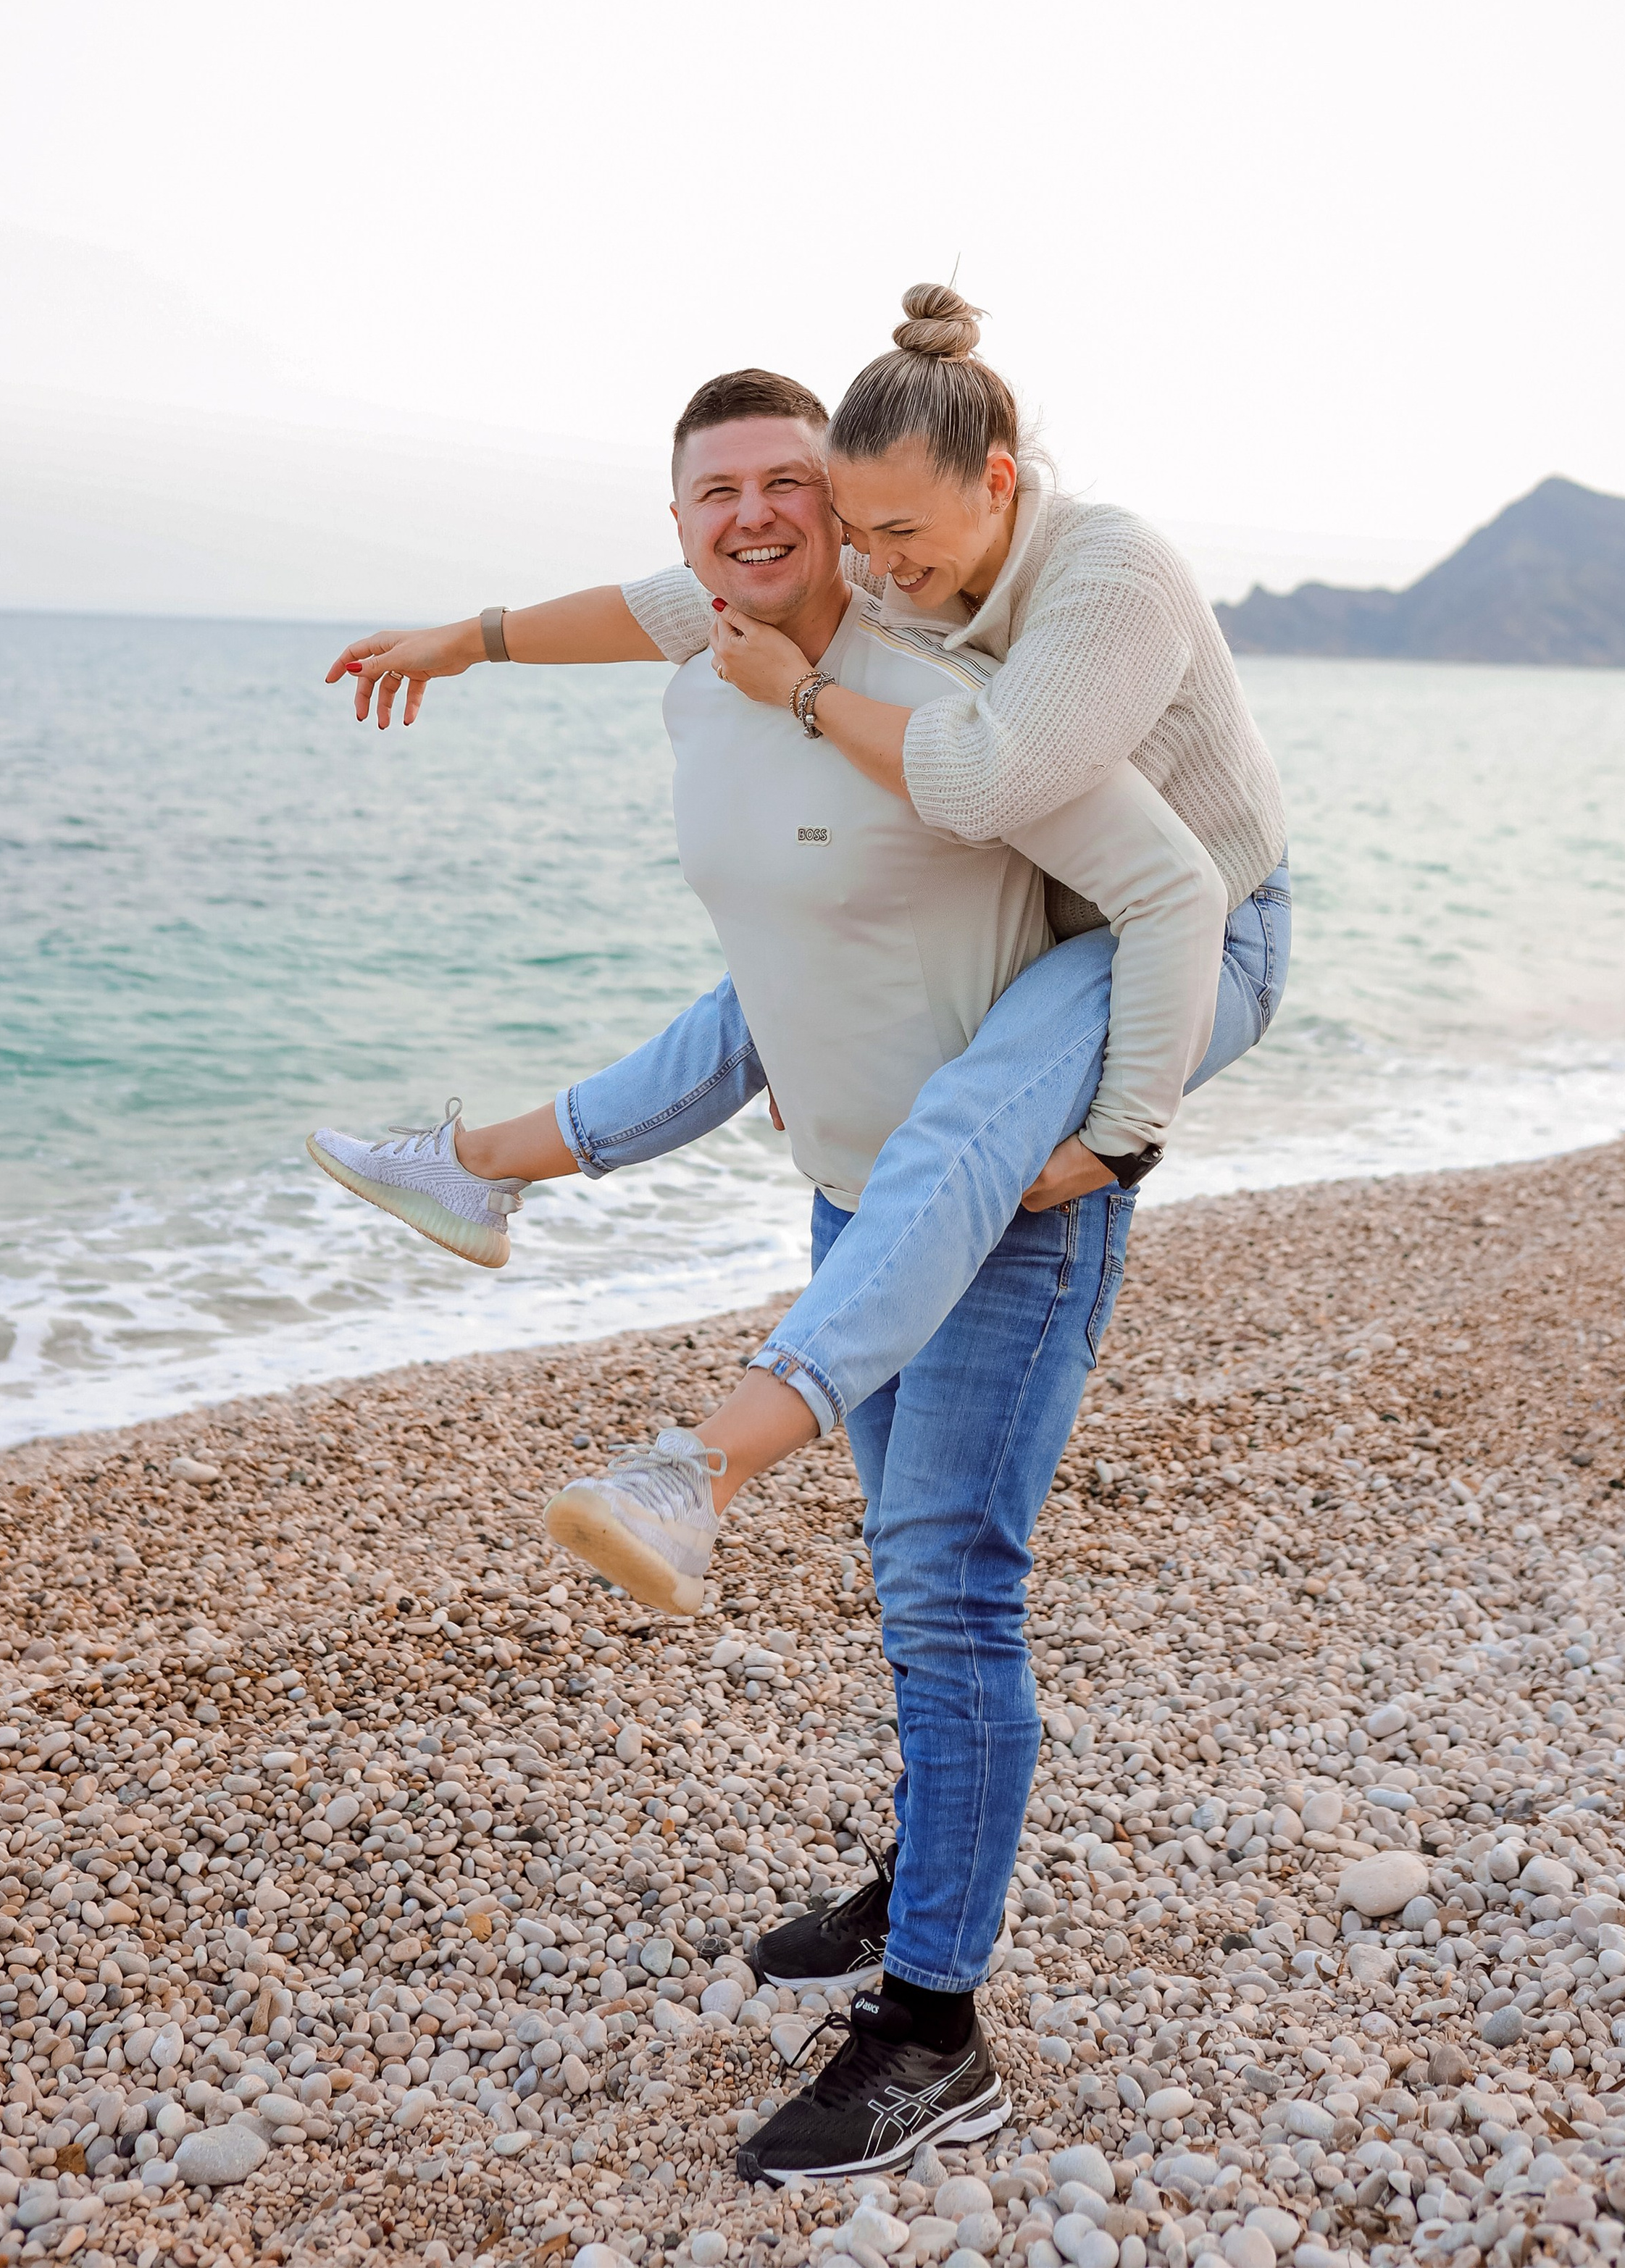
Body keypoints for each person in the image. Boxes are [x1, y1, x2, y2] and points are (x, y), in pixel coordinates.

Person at [326, 375, 1217, 2180]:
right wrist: (474, 640)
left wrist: (1117, 1128)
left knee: (950, 1591)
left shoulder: (955, 705)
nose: (748, 515)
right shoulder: (704, 662)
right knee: (906, 1596)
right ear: (677, 531)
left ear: (852, 510)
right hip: (845, 1193)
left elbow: (1163, 893)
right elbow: (767, 960)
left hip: (1000, 1213)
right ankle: (921, 1873)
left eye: (785, 486)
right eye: (707, 492)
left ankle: (934, 2027)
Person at [313, 291, 1290, 1532]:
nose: (876, 567)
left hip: (1201, 925)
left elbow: (1034, 806)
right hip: (1046, 902)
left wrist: (1123, 1136)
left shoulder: (1107, 577)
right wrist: (468, 639)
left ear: (995, 485)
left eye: (890, 534)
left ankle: (704, 1465)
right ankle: (476, 1170)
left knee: (963, 1123)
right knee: (767, 992)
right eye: (858, 533)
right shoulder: (886, 562)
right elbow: (655, 606)